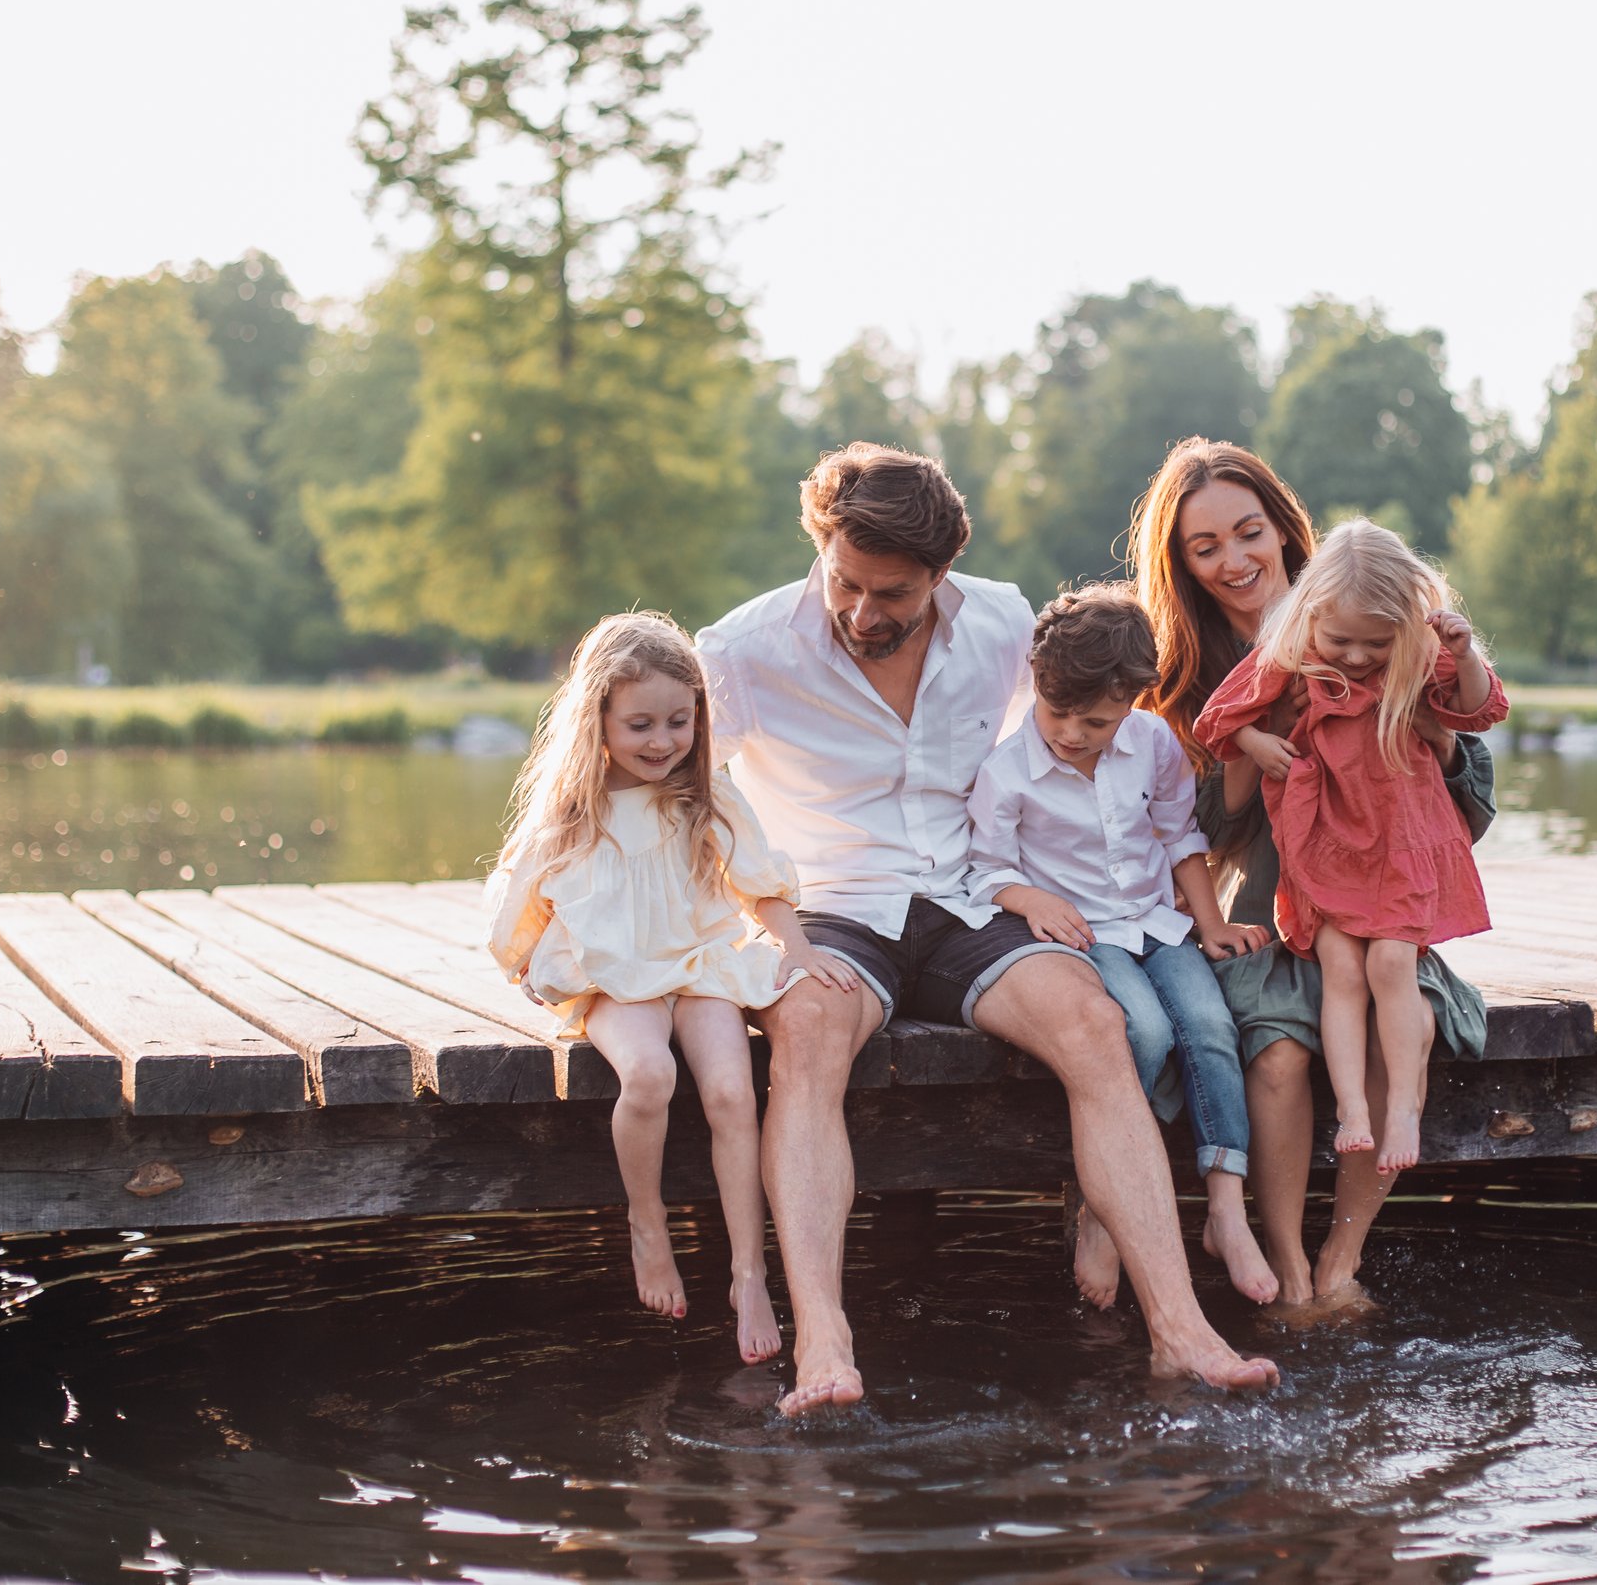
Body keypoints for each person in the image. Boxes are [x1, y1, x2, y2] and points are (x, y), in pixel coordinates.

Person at [698, 443, 1280, 1414]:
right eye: (845, 582)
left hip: (972, 897)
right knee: (803, 1038)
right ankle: (824, 1345)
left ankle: (1180, 1329)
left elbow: (1093, 718)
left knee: (1096, 1024)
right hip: (836, 904)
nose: (860, 611)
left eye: (891, 593)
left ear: (940, 574)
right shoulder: (744, 648)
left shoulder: (1004, 620)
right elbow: (684, 795)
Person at [1129, 439, 1498, 1310]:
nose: (1233, 559)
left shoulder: (1376, 611)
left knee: (1390, 1020)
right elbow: (1208, 826)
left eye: (1247, 532)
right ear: (1180, 563)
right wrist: (1266, 741)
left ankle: (1343, 1254)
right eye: (1203, 545)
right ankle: (1287, 1260)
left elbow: (1470, 807)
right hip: (1274, 903)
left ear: (1284, 530)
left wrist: (1430, 735)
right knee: (1284, 1056)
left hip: (1384, 896)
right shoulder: (1196, 669)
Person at [482, 612, 844, 1365]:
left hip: (700, 959)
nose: (661, 741)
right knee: (649, 1074)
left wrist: (799, 946)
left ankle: (749, 1270)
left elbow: (757, 877)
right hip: (616, 971)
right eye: (640, 723)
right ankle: (648, 1223)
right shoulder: (575, 810)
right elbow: (523, 898)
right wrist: (525, 965)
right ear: (599, 722)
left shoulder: (702, 792)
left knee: (731, 1091)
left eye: (679, 721)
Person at [962, 585, 1281, 1306]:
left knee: (1209, 1025)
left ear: (1135, 702)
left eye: (1097, 720)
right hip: (1083, 933)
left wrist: (1211, 924)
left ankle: (1226, 1207)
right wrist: (1029, 898)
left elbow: (1180, 837)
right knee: (1144, 1030)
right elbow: (983, 868)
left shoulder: (1155, 744)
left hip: (1156, 921)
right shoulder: (1008, 769)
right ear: (1037, 685)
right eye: (1058, 713)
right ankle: (1106, 1207)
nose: (1072, 733)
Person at [1196, 520, 1508, 1171]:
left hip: (1400, 846)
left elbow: (1479, 711)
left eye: (1376, 642)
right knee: (1341, 970)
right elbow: (1216, 719)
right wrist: (1256, 742)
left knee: (1391, 965)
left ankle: (1401, 1109)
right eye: (1342, 640)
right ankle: (1352, 1109)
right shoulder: (1290, 652)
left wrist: (1467, 651)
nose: (1359, 657)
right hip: (1327, 848)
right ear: (1311, 616)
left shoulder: (1419, 659)